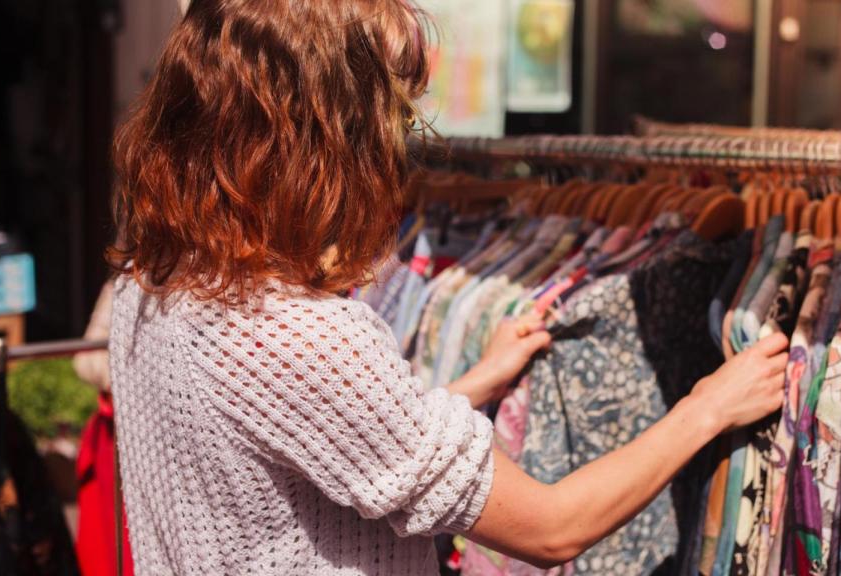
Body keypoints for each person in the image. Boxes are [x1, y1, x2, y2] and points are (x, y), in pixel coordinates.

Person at [106, 1, 789, 574]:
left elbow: (317, 438)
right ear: (321, 136)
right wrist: (706, 407)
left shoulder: (150, 287)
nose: (398, 141)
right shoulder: (299, 335)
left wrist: (481, 379)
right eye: (390, 117)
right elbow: (553, 528)